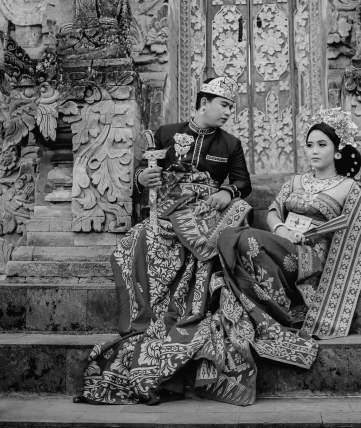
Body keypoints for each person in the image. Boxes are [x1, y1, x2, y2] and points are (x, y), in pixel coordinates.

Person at [81, 76, 280, 406]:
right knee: (137, 239)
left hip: (206, 214)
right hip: (168, 213)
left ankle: (191, 304)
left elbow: (243, 183)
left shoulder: (230, 144)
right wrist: (142, 178)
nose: (229, 112)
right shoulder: (165, 134)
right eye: (225, 105)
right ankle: (148, 316)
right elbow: (145, 175)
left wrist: (224, 192)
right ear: (204, 103)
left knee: (219, 233)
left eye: (232, 107)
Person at [216, 107, 361, 343]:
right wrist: (283, 230)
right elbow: (273, 213)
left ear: (337, 150)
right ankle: (269, 312)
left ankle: (274, 314)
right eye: (310, 145)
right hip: (284, 242)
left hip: (313, 256)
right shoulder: (296, 181)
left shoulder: (347, 187)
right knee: (230, 236)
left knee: (248, 239)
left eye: (322, 145)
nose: (314, 151)